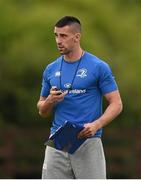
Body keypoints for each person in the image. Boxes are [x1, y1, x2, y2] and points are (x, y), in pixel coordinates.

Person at [37, 16, 123, 179]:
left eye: (63, 36)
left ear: (77, 37)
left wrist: (97, 125)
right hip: (58, 142)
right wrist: (49, 100)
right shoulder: (50, 69)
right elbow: (42, 110)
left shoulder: (98, 66)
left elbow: (116, 103)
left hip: (88, 139)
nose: (58, 40)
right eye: (56, 35)